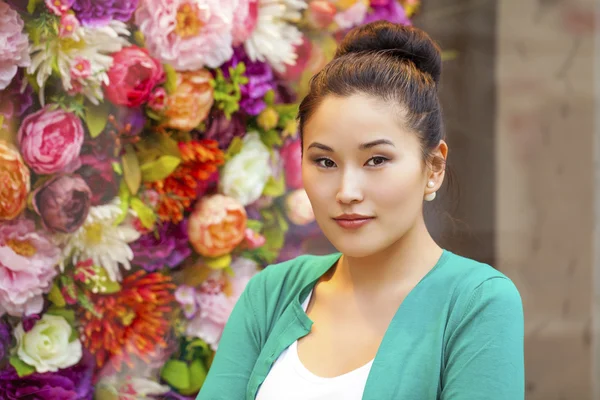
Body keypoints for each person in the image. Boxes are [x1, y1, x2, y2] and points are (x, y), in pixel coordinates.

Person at [197, 20, 524, 400]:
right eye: (324, 162)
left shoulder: (475, 303)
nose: (347, 192)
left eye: (376, 160)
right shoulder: (271, 293)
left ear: (433, 167)